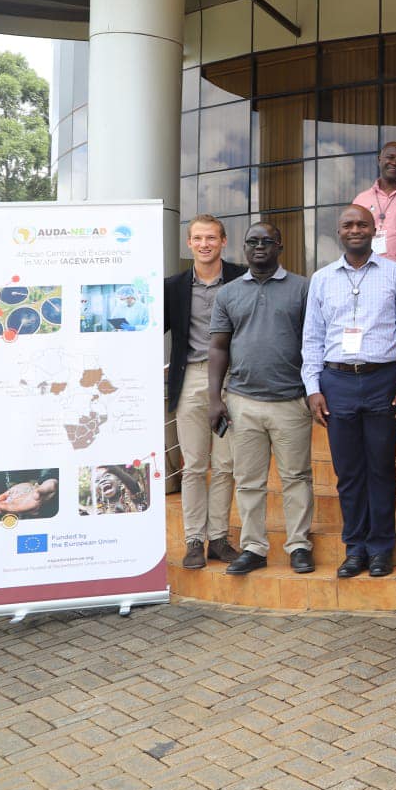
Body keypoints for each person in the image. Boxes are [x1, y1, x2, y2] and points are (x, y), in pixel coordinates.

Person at [302, 205, 396, 578]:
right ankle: (355, 548)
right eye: (348, 225)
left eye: (361, 224)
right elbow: (313, 337)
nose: (355, 230)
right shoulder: (321, 279)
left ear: (373, 229)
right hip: (337, 384)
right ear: (339, 232)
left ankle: (381, 547)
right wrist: (313, 387)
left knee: (381, 468)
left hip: (384, 379)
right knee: (348, 472)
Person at [207, 223, 313, 576]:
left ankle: (298, 544)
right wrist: (214, 399)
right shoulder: (229, 293)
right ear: (244, 247)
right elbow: (218, 347)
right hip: (243, 401)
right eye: (252, 241)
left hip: (290, 401)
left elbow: (313, 344)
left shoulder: (302, 288)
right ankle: (254, 546)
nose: (260, 247)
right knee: (249, 480)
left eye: (268, 241)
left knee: (296, 477)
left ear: (280, 245)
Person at [166, 215, 246, 569]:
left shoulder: (242, 278)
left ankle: (219, 539)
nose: (204, 244)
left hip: (234, 380)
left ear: (223, 241)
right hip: (192, 380)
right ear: (189, 243)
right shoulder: (174, 286)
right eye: (197, 238)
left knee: (226, 464)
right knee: (195, 465)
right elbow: (150, 328)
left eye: (211, 238)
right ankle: (194, 540)